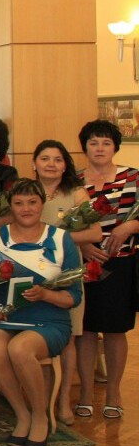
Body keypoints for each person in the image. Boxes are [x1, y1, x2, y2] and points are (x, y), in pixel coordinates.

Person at [0, 179, 82, 446]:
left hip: (49, 320)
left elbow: (74, 296)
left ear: (42, 204)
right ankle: (22, 415)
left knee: (20, 348)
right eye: (19, 203)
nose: (26, 208)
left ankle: (40, 417)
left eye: (32, 202)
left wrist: (46, 295)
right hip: (6, 319)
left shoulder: (60, 239)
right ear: (10, 206)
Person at [32, 139, 101, 425]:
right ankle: (40, 402)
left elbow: (95, 233)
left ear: (65, 165)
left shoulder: (77, 193)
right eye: (45, 158)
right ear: (34, 163)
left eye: (58, 159)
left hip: (67, 273)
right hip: (33, 273)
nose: (51, 164)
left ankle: (63, 403)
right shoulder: (27, 191)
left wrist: (56, 238)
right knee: (36, 335)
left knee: (68, 338)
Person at [75, 120, 139, 421]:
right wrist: (84, 245)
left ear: (115, 147)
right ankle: (86, 393)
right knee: (85, 330)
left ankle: (113, 393)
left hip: (121, 263)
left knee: (114, 330)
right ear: (85, 147)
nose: (99, 148)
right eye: (93, 142)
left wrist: (130, 226)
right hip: (82, 264)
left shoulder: (133, 177)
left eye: (105, 143)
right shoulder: (73, 181)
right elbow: (60, 223)